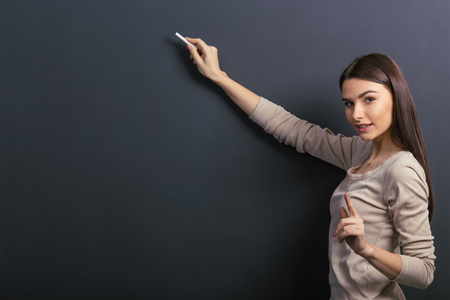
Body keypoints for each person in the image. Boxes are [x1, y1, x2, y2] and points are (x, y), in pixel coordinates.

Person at [184, 37, 436, 299]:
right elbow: (291, 128)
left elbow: (424, 272)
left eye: (369, 99)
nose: (357, 114)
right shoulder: (360, 152)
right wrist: (219, 76)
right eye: (349, 103)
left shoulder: (401, 170)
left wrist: (366, 249)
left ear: (397, 97)